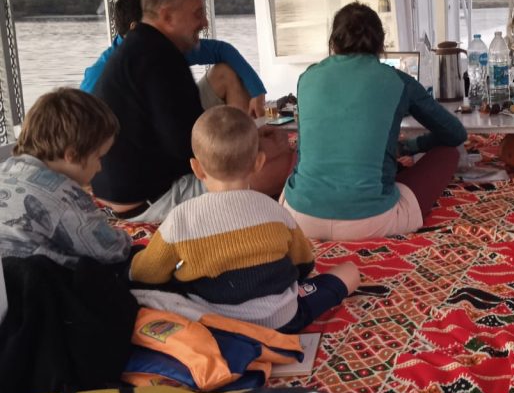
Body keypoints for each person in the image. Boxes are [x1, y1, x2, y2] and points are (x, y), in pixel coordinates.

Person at [130, 106, 359, 332]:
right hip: (281, 321)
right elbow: (304, 263)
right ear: (259, 163)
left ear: (197, 169)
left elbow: (146, 274)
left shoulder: (179, 218)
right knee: (349, 271)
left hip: (215, 327)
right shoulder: (275, 210)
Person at [92, 0, 293, 222]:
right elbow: (191, 151)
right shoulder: (160, 61)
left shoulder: (141, 46)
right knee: (288, 161)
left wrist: (249, 139)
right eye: (198, 14)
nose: (205, 22)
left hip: (121, 190)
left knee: (258, 144)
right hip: (147, 200)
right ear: (167, 16)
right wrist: (253, 152)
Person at [283, 1, 467, 239]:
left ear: (333, 43)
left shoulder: (307, 77)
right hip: (370, 221)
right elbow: (455, 133)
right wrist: (414, 145)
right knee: (448, 153)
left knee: (303, 149)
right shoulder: (398, 80)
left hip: (299, 218)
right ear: (381, 44)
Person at [81, 0, 268, 118]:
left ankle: (244, 148)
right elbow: (82, 122)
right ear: (136, 28)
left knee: (225, 73)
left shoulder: (165, 47)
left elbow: (222, 50)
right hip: (143, 142)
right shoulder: (100, 73)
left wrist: (257, 92)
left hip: (178, 118)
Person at [0, 88, 131, 267]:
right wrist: (126, 240)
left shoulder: (6, 168)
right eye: (99, 157)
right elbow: (112, 251)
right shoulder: (65, 196)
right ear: (72, 156)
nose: (100, 168)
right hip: (28, 286)